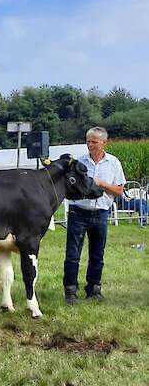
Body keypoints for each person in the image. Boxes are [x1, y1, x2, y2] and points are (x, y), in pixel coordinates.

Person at [63, 127, 125, 303]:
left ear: (104, 142)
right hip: (78, 212)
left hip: (101, 213)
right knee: (73, 254)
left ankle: (94, 289)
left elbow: (119, 190)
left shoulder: (113, 163)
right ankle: (70, 290)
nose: (89, 145)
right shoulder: (79, 163)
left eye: (94, 142)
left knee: (97, 254)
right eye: (88, 141)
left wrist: (101, 183)